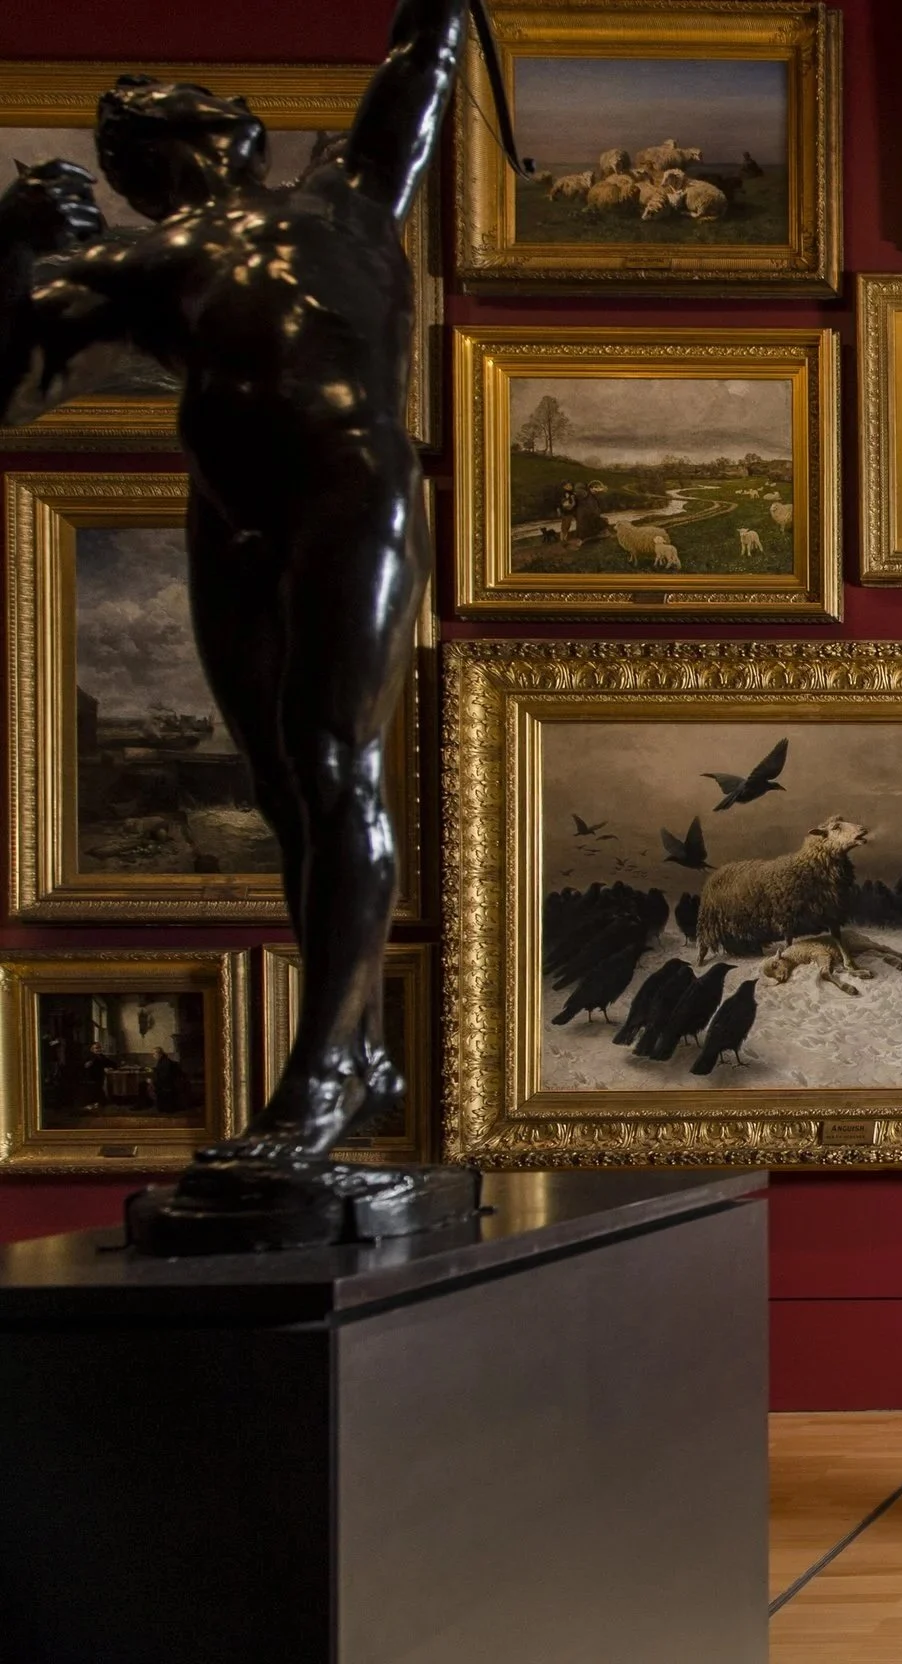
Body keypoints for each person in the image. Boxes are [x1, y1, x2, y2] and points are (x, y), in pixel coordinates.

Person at [0, 0, 474, 1179]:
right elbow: (9, 387)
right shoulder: (133, 260)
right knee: (283, 786)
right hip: (230, 518)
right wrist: (10, 244)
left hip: (349, 491)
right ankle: (353, 1046)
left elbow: (424, 50)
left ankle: (327, 1068)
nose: (148, 92)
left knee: (331, 766)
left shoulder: (347, 193)